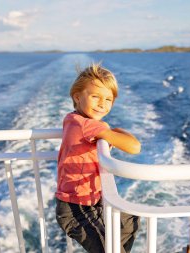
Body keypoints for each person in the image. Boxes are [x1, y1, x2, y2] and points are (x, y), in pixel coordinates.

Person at [56, 63, 141, 253]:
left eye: (108, 99)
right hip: (76, 210)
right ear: (77, 97)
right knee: (110, 249)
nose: (102, 104)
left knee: (130, 221)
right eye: (96, 97)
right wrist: (109, 130)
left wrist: (107, 130)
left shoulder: (72, 118)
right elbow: (134, 147)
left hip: (92, 203)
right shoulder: (89, 126)